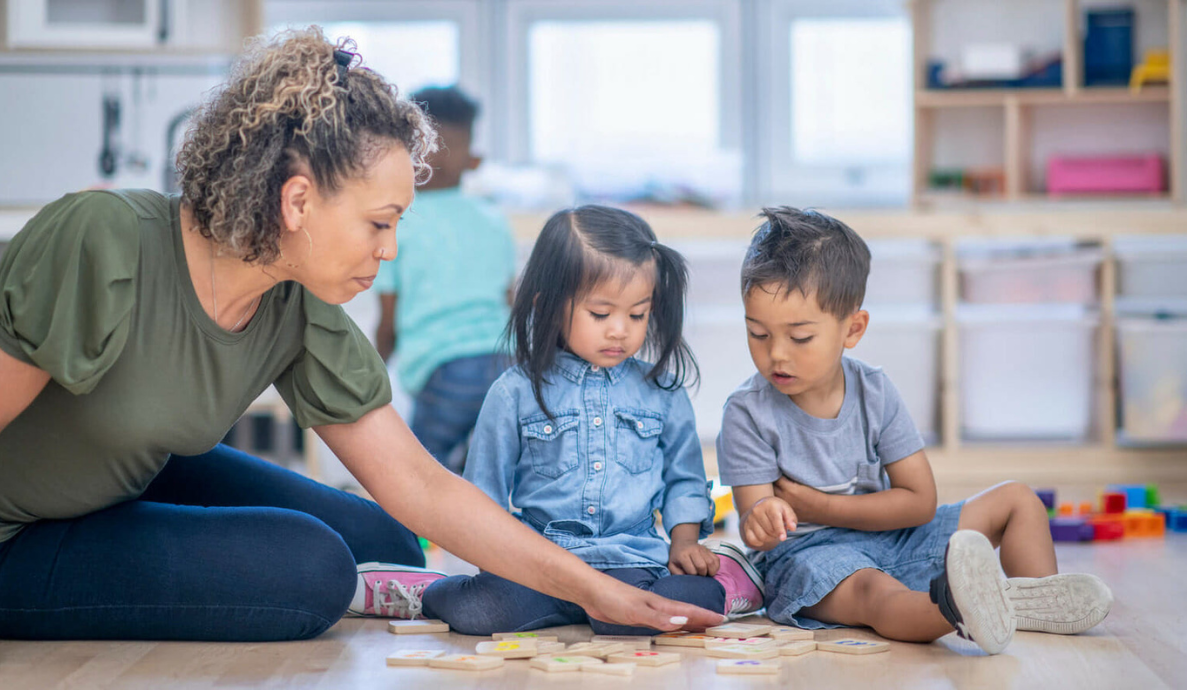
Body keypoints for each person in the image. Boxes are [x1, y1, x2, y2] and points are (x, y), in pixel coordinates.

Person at [0, 28, 722, 642]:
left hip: (126, 478)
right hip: (17, 534)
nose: (391, 249)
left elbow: (418, 483)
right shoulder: (101, 242)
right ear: (298, 201)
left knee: (385, 542)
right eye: (380, 223)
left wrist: (591, 588)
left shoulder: (295, 299)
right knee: (313, 571)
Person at [716, 207, 1113, 654]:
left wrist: (822, 506)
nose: (777, 356)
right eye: (758, 334)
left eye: (800, 338)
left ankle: (1030, 600)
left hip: (897, 538)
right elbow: (755, 524)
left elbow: (920, 503)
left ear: (853, 329)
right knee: (876, 595)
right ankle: (957, 606)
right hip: (815, 561)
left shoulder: (875, 390)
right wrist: (762, 524)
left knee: (1018, 500)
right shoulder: (747, 413)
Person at [410, 205, 766, 635]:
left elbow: (685, 479)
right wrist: (495, 567)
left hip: (629, 562)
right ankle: (417, 589)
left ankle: (733, 574)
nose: (620, 330)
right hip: (539, 565)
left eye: (637, 314)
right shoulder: (513, 392)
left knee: (680, 604)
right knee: (478, 613)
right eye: (601, 314)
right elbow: (483, 491)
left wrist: (685, 542)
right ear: (550, 305)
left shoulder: (663, 391)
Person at [374, 86, 514, 474]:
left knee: (420, 474)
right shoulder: (492, 218)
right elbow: (510, 299)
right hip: (508, 362)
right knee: (487, 471)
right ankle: (480, 532)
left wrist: (371, 373)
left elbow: (389, 320)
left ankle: (413, 537)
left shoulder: (396, 222)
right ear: (474, 161)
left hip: (445, 371)